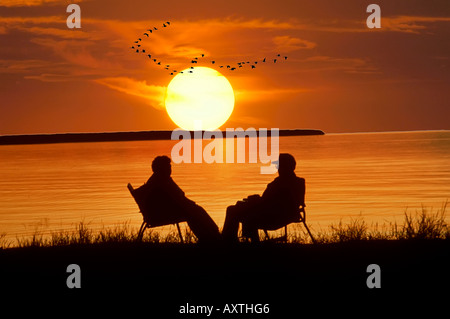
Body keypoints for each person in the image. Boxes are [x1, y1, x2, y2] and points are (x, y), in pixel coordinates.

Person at [135, 155, 220, 243]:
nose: (170, 169)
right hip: (161, 214)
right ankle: (210, 236)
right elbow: (177, 197)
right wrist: (189, 204)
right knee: (193, 212)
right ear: (161, 169)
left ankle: (210, 235)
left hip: (164, 211)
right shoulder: (162, 181)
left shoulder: (161, 179)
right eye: (167, 167)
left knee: (196, 210)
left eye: (170, 167)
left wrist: (189, 203)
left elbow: (178, 195)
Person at [222, 153, 305, 242]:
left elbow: (264, 202)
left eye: (278, 166)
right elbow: (270, 201)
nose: (277, 169)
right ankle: (236, 239)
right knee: (240, 209)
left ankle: (229, 241)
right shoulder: (299, 182)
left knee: (233, 210)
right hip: (288, 215)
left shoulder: (277, 184)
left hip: (272, 218)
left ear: (285, 167)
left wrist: (253, 200)